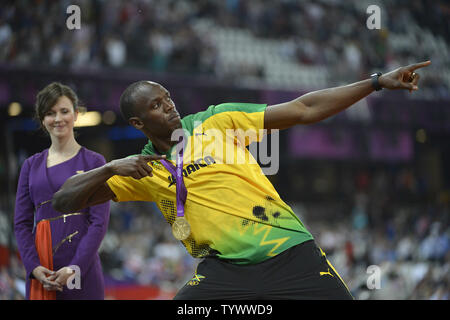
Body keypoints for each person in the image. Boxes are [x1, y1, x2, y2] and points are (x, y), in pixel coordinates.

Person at [52, 61, 430, 299]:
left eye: (167, 98)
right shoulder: (141, 168)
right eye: (156, 105)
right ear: (137, 123)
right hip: (225, 272)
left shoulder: (216, 121)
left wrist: (377, 82)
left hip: (289, 254)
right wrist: (108, 168)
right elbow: (64, 200)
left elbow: (303, 109)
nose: (169, 106)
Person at [14, 82, 110, 300]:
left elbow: (99, 223)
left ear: (76, 114)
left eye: (64, 111)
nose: (58, 119)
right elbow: (21, 223)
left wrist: (75, 267)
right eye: (50, 113)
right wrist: (33, 267)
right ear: (42, 119)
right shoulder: (30, 166)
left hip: (82, 271)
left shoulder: (95, 162)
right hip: (42, 271)